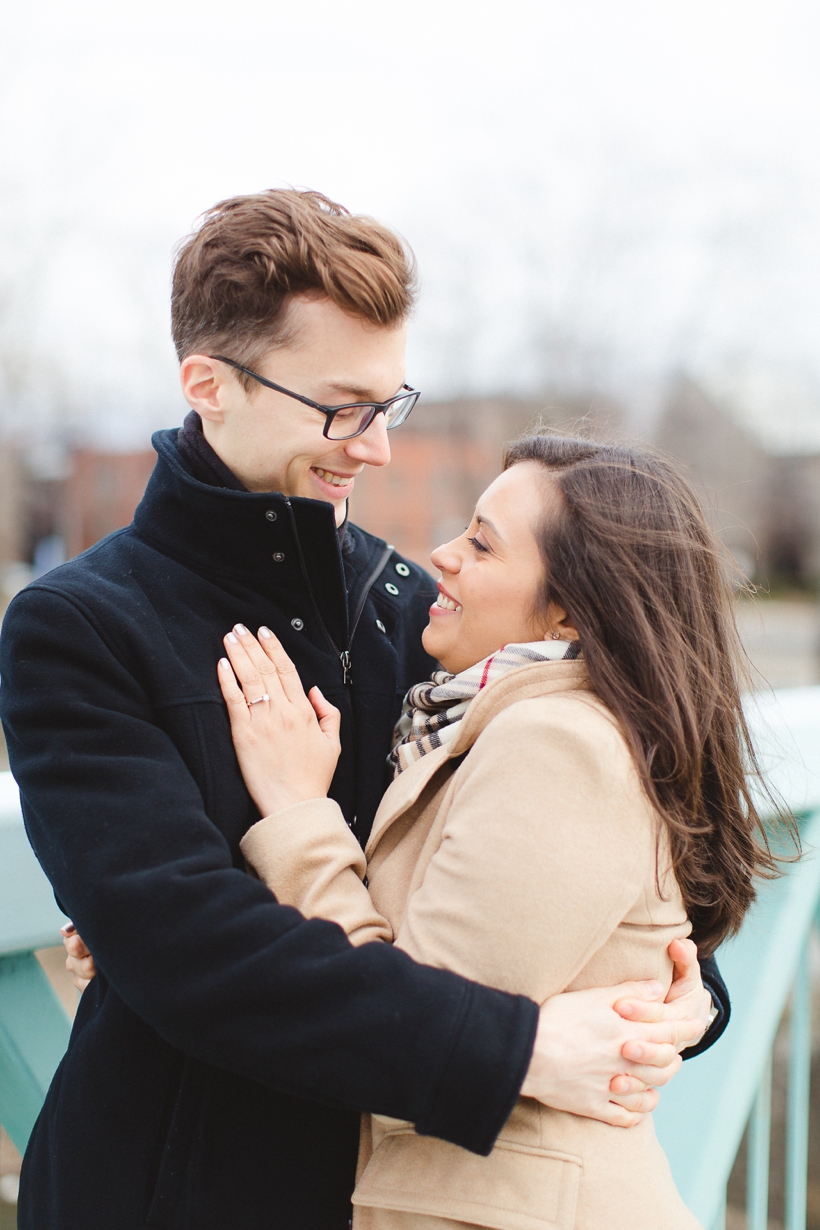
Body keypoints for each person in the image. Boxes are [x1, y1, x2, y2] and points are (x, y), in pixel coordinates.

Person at [0, 190, 725, 1230]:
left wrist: (678, 1000)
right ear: (208, 384)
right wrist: (514, 1050)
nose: (376, 448)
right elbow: (195, 955)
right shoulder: (79, 626)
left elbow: (566, 853)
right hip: (181, 1186)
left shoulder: (409, 606)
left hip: (399, 1191)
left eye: (391, 404)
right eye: (341, 408)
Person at [207, 435, 783, 1229]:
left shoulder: (559, 744)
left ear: (570, 608)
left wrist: (298, 814)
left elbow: (409, 1026)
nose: (441, 555)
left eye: (481, 542)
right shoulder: (490, 725)